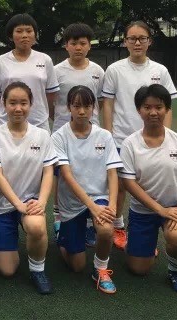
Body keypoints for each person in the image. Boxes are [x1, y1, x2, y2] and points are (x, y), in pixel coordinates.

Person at [101, 21, 177, 250]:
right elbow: (108, 104)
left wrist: (165, 136)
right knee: (120, 186)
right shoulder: (115, 69)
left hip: (152, 140)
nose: (137, 43)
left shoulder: (160, 70)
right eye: (132, 38)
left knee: (146, 185)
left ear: (149, 41)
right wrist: (108, 135)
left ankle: (146, 232)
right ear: (125, 42)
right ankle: (117, 225)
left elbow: (167, 106)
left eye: (142, 38)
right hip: (121, 139)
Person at [119, 84, 177, 294]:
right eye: (147, 107)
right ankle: (136, 241)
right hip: (143, 211)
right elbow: (129, 183)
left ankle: (176, 271)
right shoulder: (130, 144)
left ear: (167, 109)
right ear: (139, 110)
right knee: (138, 269)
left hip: (175, 208)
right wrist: (159, 210)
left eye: (159, 107)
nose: (153, 112)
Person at [0, 82, 57, 294]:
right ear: (4, 105)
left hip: (30, 203)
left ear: (31, 104)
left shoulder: (42, 135)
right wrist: (18, 204)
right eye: (13, 103)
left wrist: (41, 203)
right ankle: (5, 238)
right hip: (3, 205)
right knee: (7, 270)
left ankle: (37, 270)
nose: (18, 108)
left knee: (36, 226)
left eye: (23, 103)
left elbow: (48, 172)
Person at [53, 86, 122, 295]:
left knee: (106, 229)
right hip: (72, 203)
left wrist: (111, 205)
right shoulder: (59, 137)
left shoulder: (104, 136)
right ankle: (63, 236)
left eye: (87, 106)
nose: (82, 111)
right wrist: (91, 207)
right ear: (69, 108)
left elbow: (112, 173)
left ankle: (100, 269)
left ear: (94, 108)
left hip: (99, 197)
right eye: (76, 106)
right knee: (76, 266)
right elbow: (66, 176)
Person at [51, 23, 105, 242]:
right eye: (74, 43)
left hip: (91, 133)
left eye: (83, 43)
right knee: (60, 175)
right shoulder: (56, 71)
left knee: (90, 174)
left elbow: (101, 101)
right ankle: (59, 216)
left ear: (89, 46)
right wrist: (62, 121)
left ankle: (91, 221)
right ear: (66, 46)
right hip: (63, 132)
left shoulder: (97, 71)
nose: (78, 47)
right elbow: (51, 103)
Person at [0, 13, 59, 132]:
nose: (24, 35)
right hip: (6, 125)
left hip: (38, 124)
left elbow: (50, 95)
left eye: (29, 31)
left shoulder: (45, 60)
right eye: (19, 31)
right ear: (11, 36)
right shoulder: (1, 61)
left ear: (35, 35)